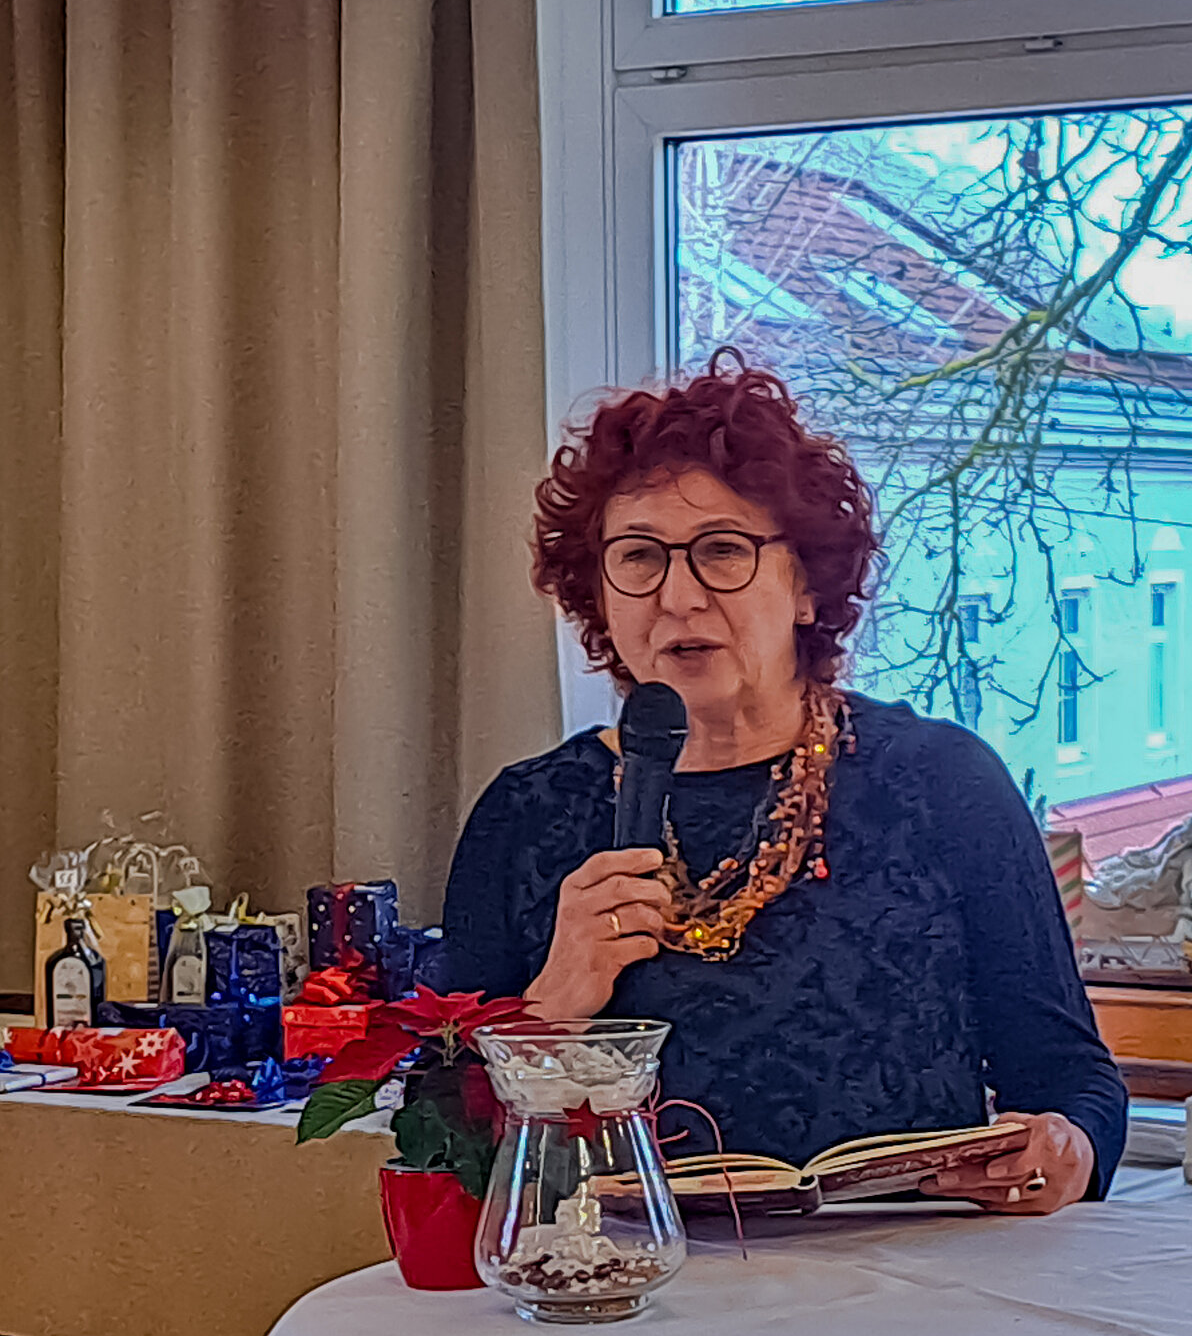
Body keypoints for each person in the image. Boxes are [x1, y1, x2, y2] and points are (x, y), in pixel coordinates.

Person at [437, 350, 1127, 1213]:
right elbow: (440, 1139)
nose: (678, 597)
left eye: (723, 551)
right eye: (639, 557)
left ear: (806, 585)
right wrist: (554, 1005)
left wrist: (1064, 1150)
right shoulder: (526, 813)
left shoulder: (943, 781)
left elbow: (1072, 1083)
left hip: (912, 1262)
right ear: (598, 594)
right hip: (625, 1271)